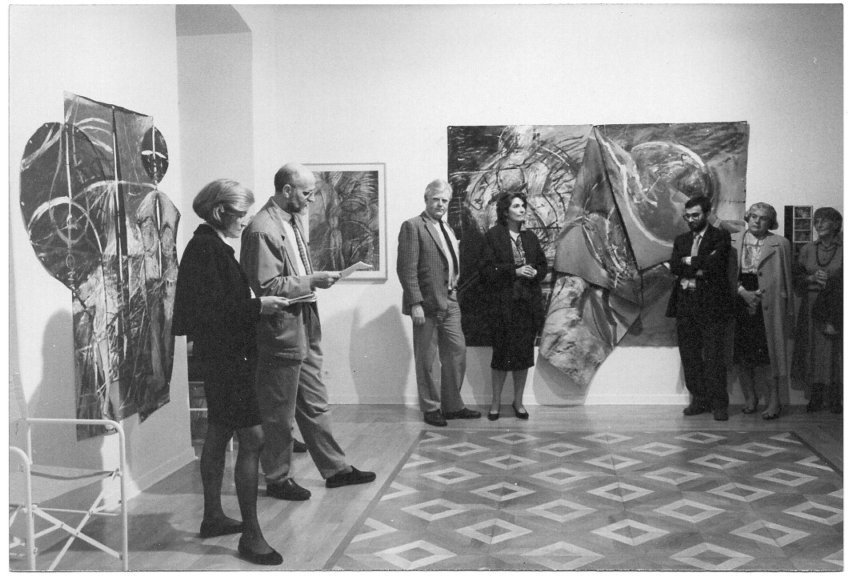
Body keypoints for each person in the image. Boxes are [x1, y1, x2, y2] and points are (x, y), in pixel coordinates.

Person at [240, 163, 376, 502]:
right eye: (306, 193)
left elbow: (292, 273)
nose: (312, 199)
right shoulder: (262, 229)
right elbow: (267, 286)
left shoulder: (289, 220)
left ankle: (336, 469)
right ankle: (277, 478)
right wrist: (313, 280)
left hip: (302, 319)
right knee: (279, 411)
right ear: (286, 190)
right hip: (280, 328)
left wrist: (313, 281)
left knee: (314, 401)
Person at [172, 179, 286, 565]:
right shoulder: (209, 249)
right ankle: (251, 536)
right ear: (221, 211)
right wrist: (259, 306)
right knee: (253, 438)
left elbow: (212, 306)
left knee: (219, 432)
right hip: (227, 360)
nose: (245, 221)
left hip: (220, 356)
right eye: (241, 213)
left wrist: (253, 305)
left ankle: (212, 517)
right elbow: (211, 312)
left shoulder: (208, 245)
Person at [397, 179, 481, 427]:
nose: (440, 204)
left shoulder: (447, 228)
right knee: (426, 360)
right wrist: (415, 303)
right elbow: (406, 269)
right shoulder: (413, 226)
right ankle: (431, 407)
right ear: (426, 199)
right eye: (436, 199)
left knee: (457, 352)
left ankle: (453, 406)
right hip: (426, 304)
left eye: (445, 200)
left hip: (451, 300)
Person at [479, 192, 547, 420]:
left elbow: (542, 265)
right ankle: (495, 403)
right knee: (500, 357)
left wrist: (536, 272)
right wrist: (515, 271)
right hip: (502, 307)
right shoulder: (493, 236)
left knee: (523, 357)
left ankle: (518, 402)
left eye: (523, 205)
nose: (522, 209)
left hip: (527, 307)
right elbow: (486, 270)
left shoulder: (530, 238)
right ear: (505, 211)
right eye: (516, 206)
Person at [665, 195, 734, 421]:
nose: (691, 219)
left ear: (707, 213)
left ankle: (719, 404)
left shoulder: (720, 236)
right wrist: (698, 264)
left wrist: (689, 262)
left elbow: (715, 265)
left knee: (714, 357)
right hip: (685, 304)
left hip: (712, 305)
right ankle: (699, 400)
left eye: (695, 215)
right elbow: (675, 266)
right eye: (688, 216)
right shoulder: (681, 240)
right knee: (690, 355)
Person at [730, 202, 794, 420]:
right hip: (739, 299)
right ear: (748, 217)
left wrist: (785, 307)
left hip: (769, 302)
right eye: (754, 216)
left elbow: (787, 278)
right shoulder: (733, 240)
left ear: (771, 222)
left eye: (763, 218)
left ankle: (774, 401)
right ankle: (750, 398)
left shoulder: (780, 243)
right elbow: (726, 274)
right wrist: (743, 292)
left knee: (769, 355)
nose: (757, 221)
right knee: (741, 353)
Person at [794, 207, 843, 413]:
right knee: (812, 349)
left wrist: (833, 281)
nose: (818, 224)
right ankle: (815, 395)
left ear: (836, 224)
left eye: (824, 220)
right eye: (816, 220)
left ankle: (835, 397)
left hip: (836, 307)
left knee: (835, 351)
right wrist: (811, 278)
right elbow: (796, 277)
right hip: (811, 307)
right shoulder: (807, 249)